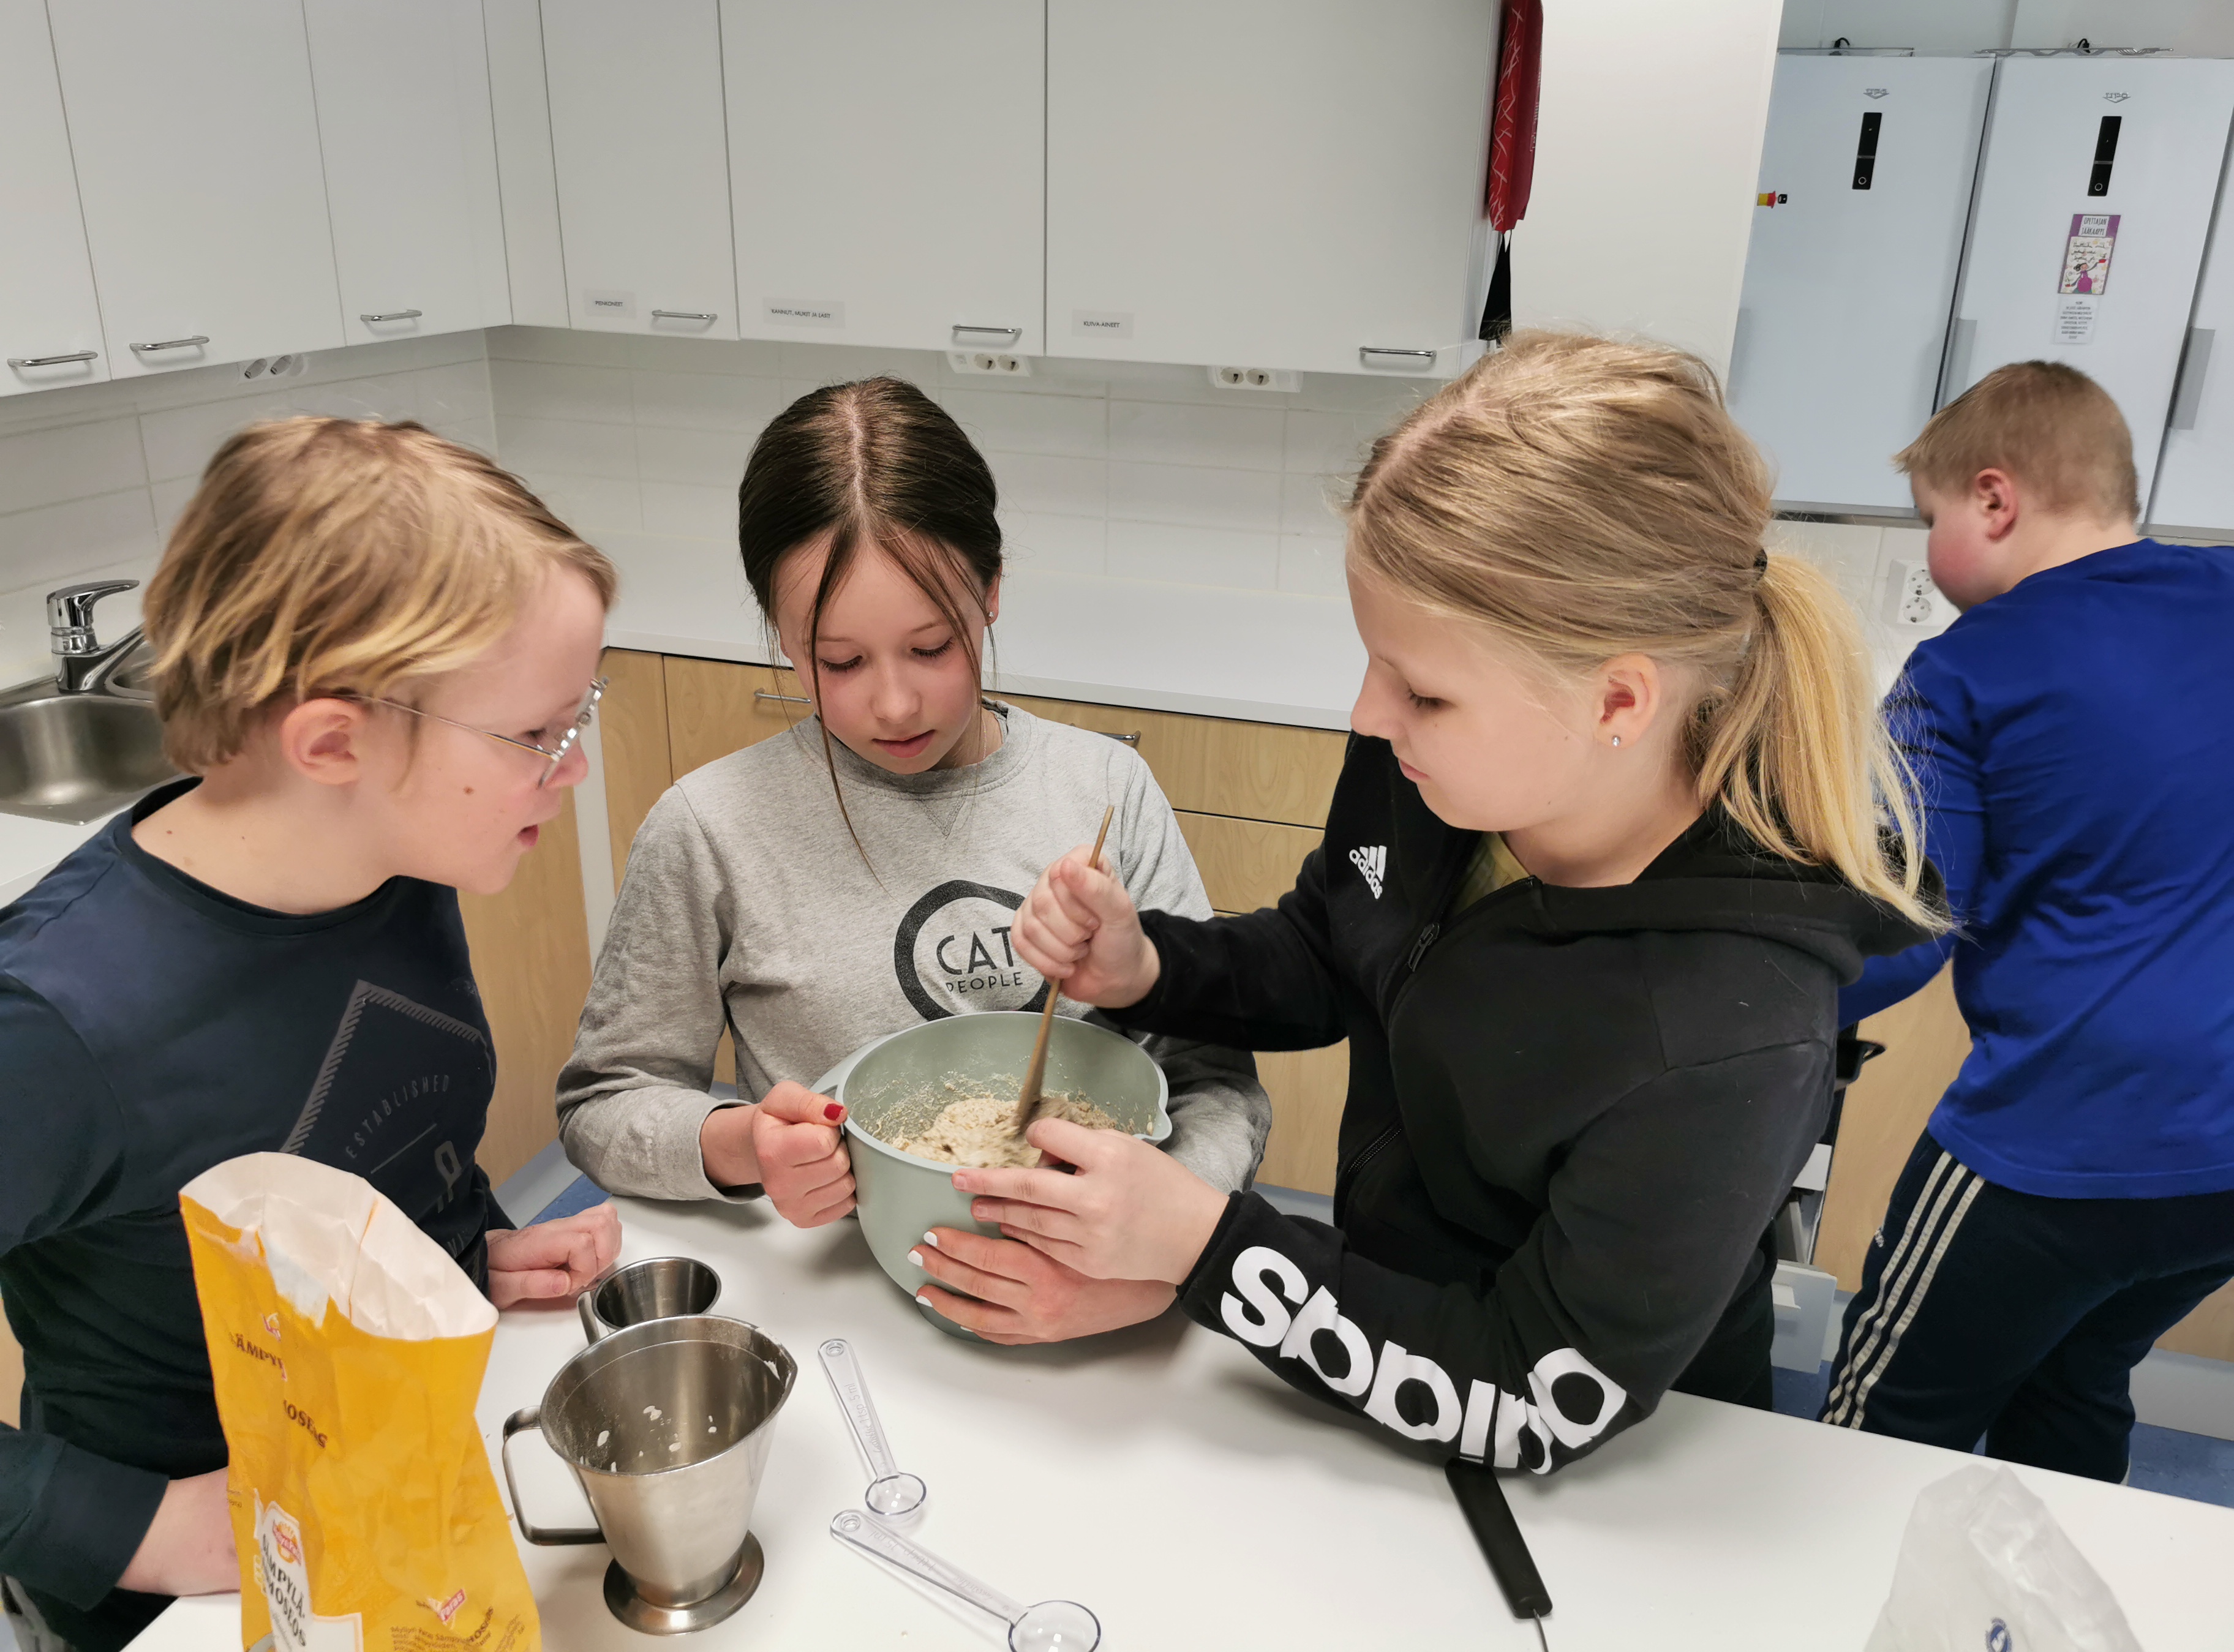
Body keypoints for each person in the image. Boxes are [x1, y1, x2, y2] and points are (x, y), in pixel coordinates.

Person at [961, 332, 1944, 1471]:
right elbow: (1335, 944)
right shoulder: (1437, 772)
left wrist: (1206, 1248)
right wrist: (1152, 969)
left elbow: (1532, 1393)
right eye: (1377, 663)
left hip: (1608, 1481)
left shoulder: (1729, 1033)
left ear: (1617, 701)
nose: (1369, 715)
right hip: (1371, 1349)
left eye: (1424, 692)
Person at [0, 419, 625, 1652]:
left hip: (406, 1488)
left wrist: (461, 1254)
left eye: (580, 716)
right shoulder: (58, 1020)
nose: (575, 770)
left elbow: (349, 1140)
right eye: (536, 736)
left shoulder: (392, 866)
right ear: (333, 742)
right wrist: (138, 1529)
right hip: (196, 1595)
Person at [556, 376, 1269, 1344]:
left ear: (991, 591)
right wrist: (744, 1146)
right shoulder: (709, 828)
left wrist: (1165, 1260)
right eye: (839, 662)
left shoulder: (1107, 790)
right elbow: (604, 1105)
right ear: (778, 633)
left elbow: (1215, 1083)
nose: (893, 705)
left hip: (1103, 1311)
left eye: (932, 646)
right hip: (849, 1319)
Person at [1815, 362, 2234, 1480]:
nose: (1929, 550)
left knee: (1884, 1421)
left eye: (1931, 520)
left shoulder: (1965, 671)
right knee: (2077, 1378)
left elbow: (1908, 922)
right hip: (2222, 1163)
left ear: (1994, 499)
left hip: (2057, 1147)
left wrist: (1753, 1001)